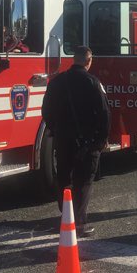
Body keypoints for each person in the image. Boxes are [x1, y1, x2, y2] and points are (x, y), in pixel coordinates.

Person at [41, 45, 110, 237]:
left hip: (63, 139)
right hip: (88, 142)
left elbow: (46, 110)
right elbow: (104, 114)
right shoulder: (93, 82)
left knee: (64, 177)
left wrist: (56, 129)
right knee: (84, 181)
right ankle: (79, 223)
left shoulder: (56, 82)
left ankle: (65, 215)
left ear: (74, 59)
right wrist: (101, 139)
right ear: (89, 61)